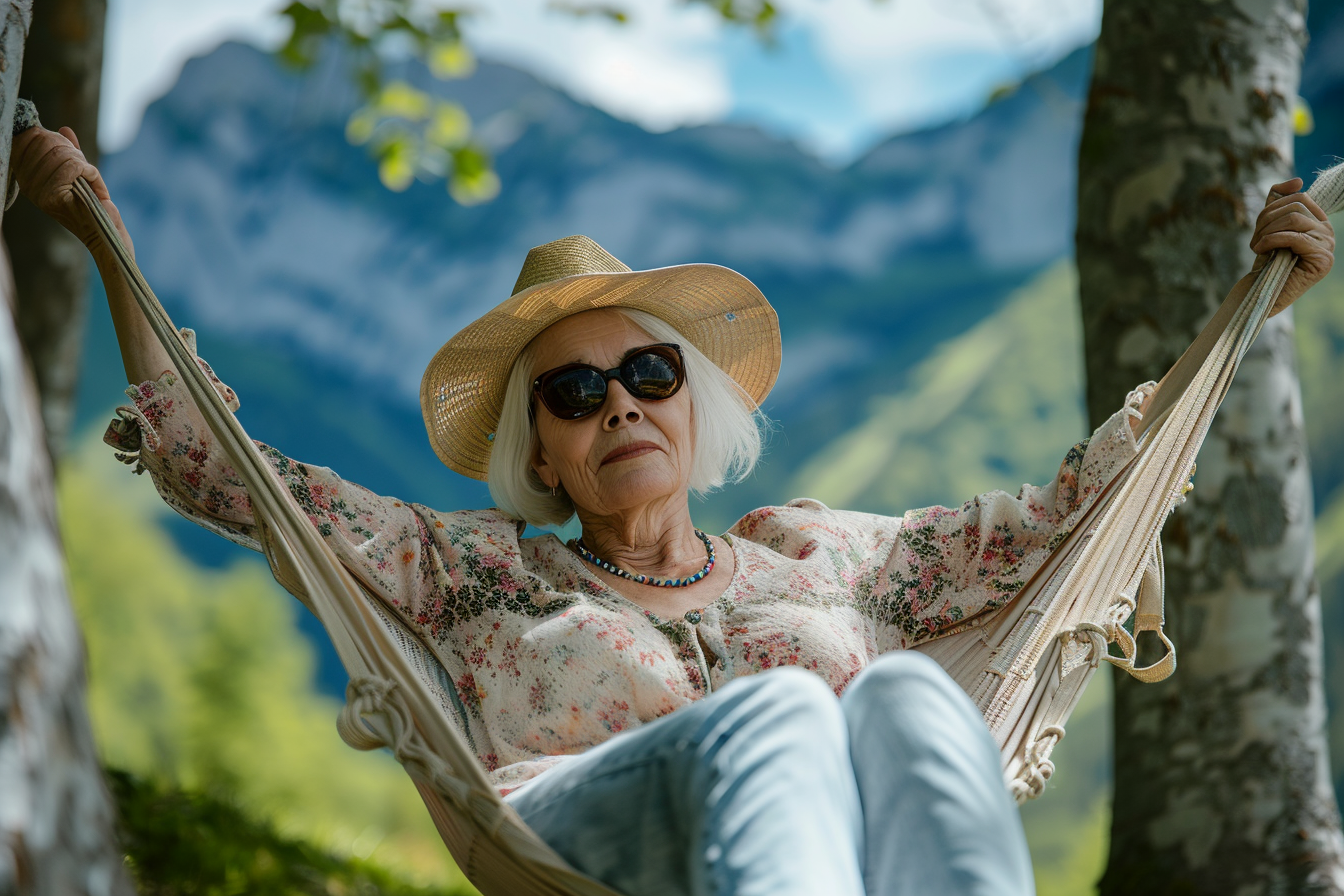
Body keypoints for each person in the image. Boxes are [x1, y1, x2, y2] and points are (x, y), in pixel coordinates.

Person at [11, 118, 1335, 896]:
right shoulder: (475, 573)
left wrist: (1251, 314)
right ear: (539, 448)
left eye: (647, 374)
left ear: (693, 407)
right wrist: (99, 227)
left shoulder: (817, 557)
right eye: (575, 392)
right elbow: (207, 458)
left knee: (912, 696)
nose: (620, 407)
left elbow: (1070, 526)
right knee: (780, 708)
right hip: (579, 834)